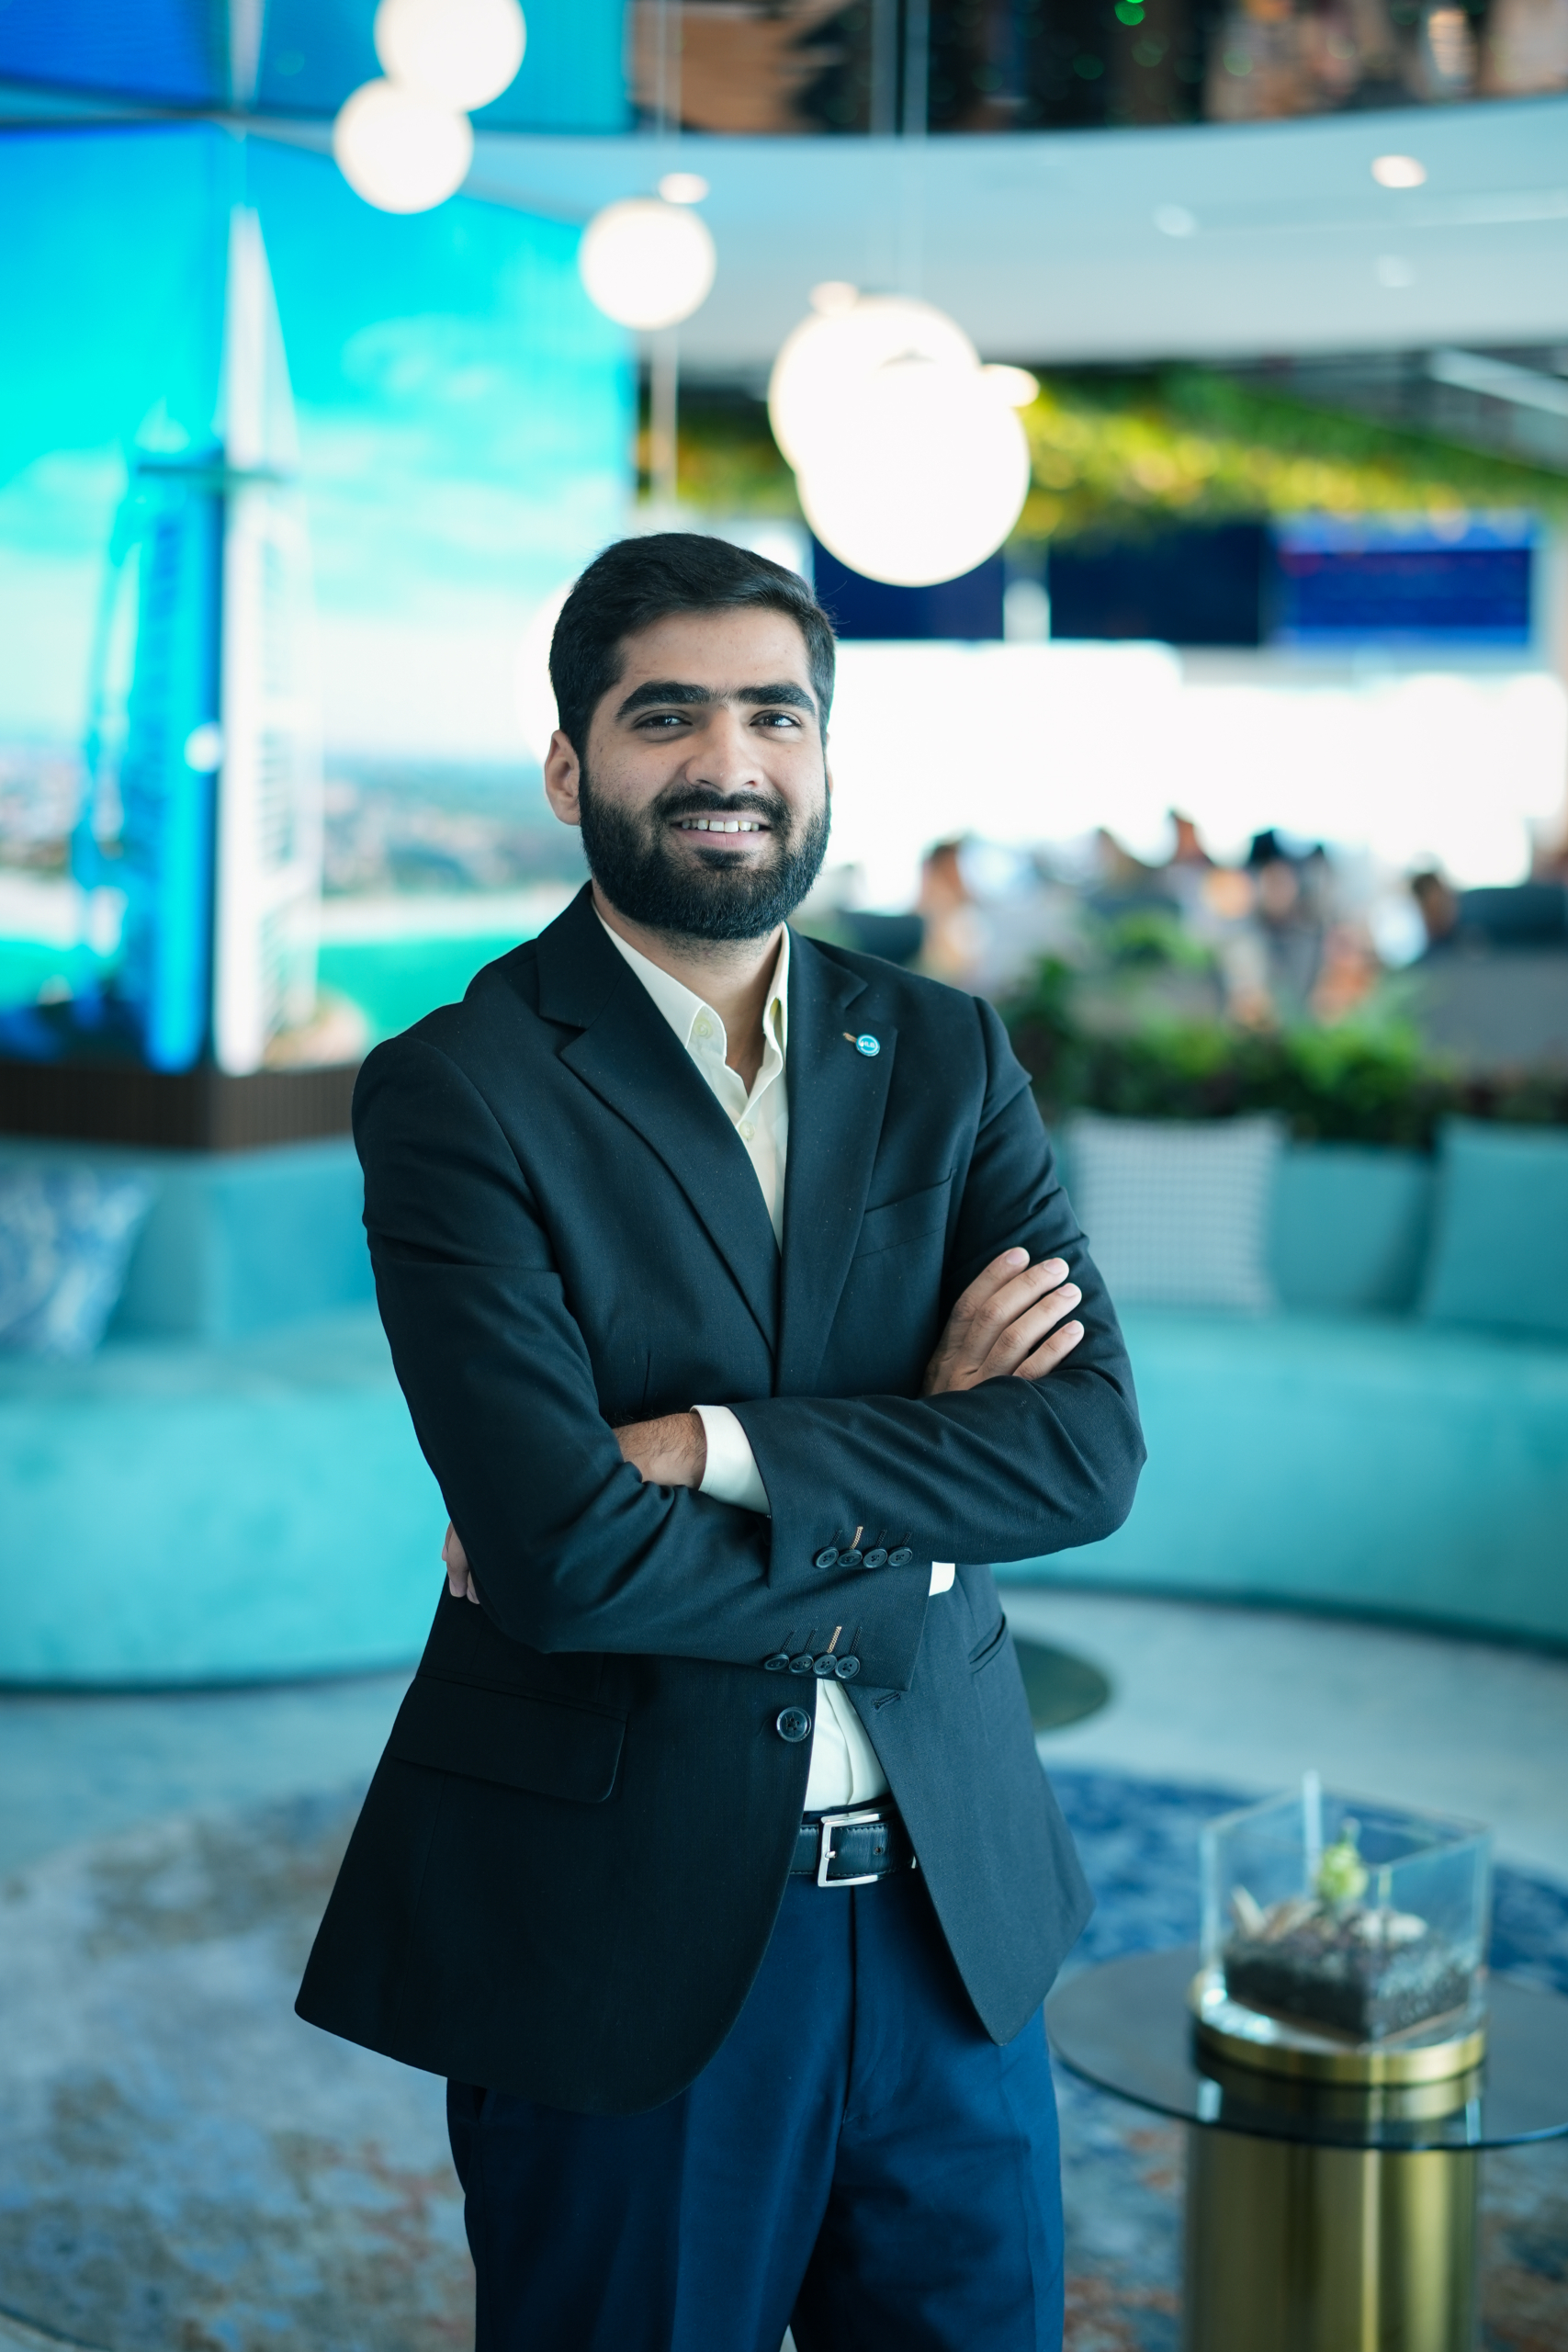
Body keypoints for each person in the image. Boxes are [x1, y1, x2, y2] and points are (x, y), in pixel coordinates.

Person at [297, 534, 1145, 2352]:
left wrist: (703, 1444)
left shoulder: (945, 1052)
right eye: (665, 715)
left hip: (952, 1920)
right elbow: (561, 1560)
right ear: (569, 768)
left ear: (823, 756)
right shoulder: (460, 1088)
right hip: (626, 1938)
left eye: (774, 714)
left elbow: (1082, 1454)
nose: (729, 759)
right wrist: (925, 1484)